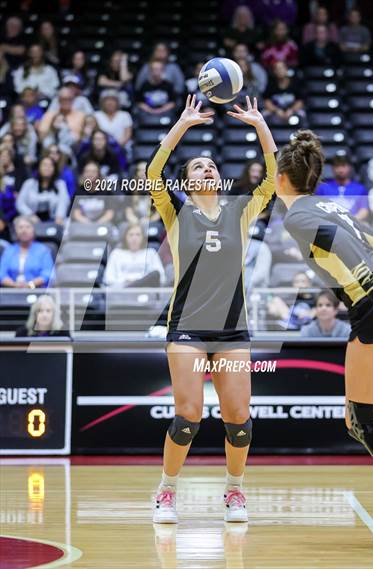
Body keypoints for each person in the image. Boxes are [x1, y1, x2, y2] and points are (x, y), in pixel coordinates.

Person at [276, 129, 373, 549]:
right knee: (370, 417)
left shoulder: (296, 215)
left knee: (366, 422)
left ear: (281, 180)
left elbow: (344, 248)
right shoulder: (330, 205)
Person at [147, 94, 277, 524]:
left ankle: (235, 492)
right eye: (199, 166)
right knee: (188, 417)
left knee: (239, 419)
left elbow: (274, 179)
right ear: (187, 181)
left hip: (232, 329)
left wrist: (260, 126)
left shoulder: (240, 211)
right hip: (185, 327)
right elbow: (152, 173)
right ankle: (166, 492)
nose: (209, 168)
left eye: (213, 166)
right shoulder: (176, 211)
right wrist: (182, 125)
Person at [103, 222, 165, 288]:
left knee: (155, 274)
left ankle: (133, 285)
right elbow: (108, 278)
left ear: (143, 237)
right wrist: (124, 281)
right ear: (125, 237)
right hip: (122, 290)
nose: (134, 238)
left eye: (138, 235)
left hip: (145, 291)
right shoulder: (116, 253)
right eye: (131, 235)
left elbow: (161, 277)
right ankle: (131, 286)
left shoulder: (151, 253)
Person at [0, 215, 54, 288]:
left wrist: (30, 285)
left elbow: (48, 273)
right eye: (20, 227)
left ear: (33, 230)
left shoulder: (43, 250)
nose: (24, 230)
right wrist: (14, 285)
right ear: (16, 231)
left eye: (28, 227)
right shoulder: (9, 250)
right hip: (12, 290)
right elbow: (2, 273)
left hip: (37, 290)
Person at [17, 156, 70, 224]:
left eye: (50, 165)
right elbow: (20, 203)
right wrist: (30, 215)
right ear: (39, 168)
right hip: (31, 220)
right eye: (44, 165)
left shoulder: (60, 184)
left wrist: (59, 216)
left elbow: (64, 202)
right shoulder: (29, 183)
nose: (47, 168)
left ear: (54, 169)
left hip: (54, 220)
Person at [316, 155, 369, 220]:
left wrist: (351, 221)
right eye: (337, 166)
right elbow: (317, 209)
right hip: (329, 223)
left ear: (349, 167)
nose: (340, 170)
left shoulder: (360, 188)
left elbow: (364, 210)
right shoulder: (323, 188)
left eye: (343, 166)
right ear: (332, 168)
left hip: (353, 223)